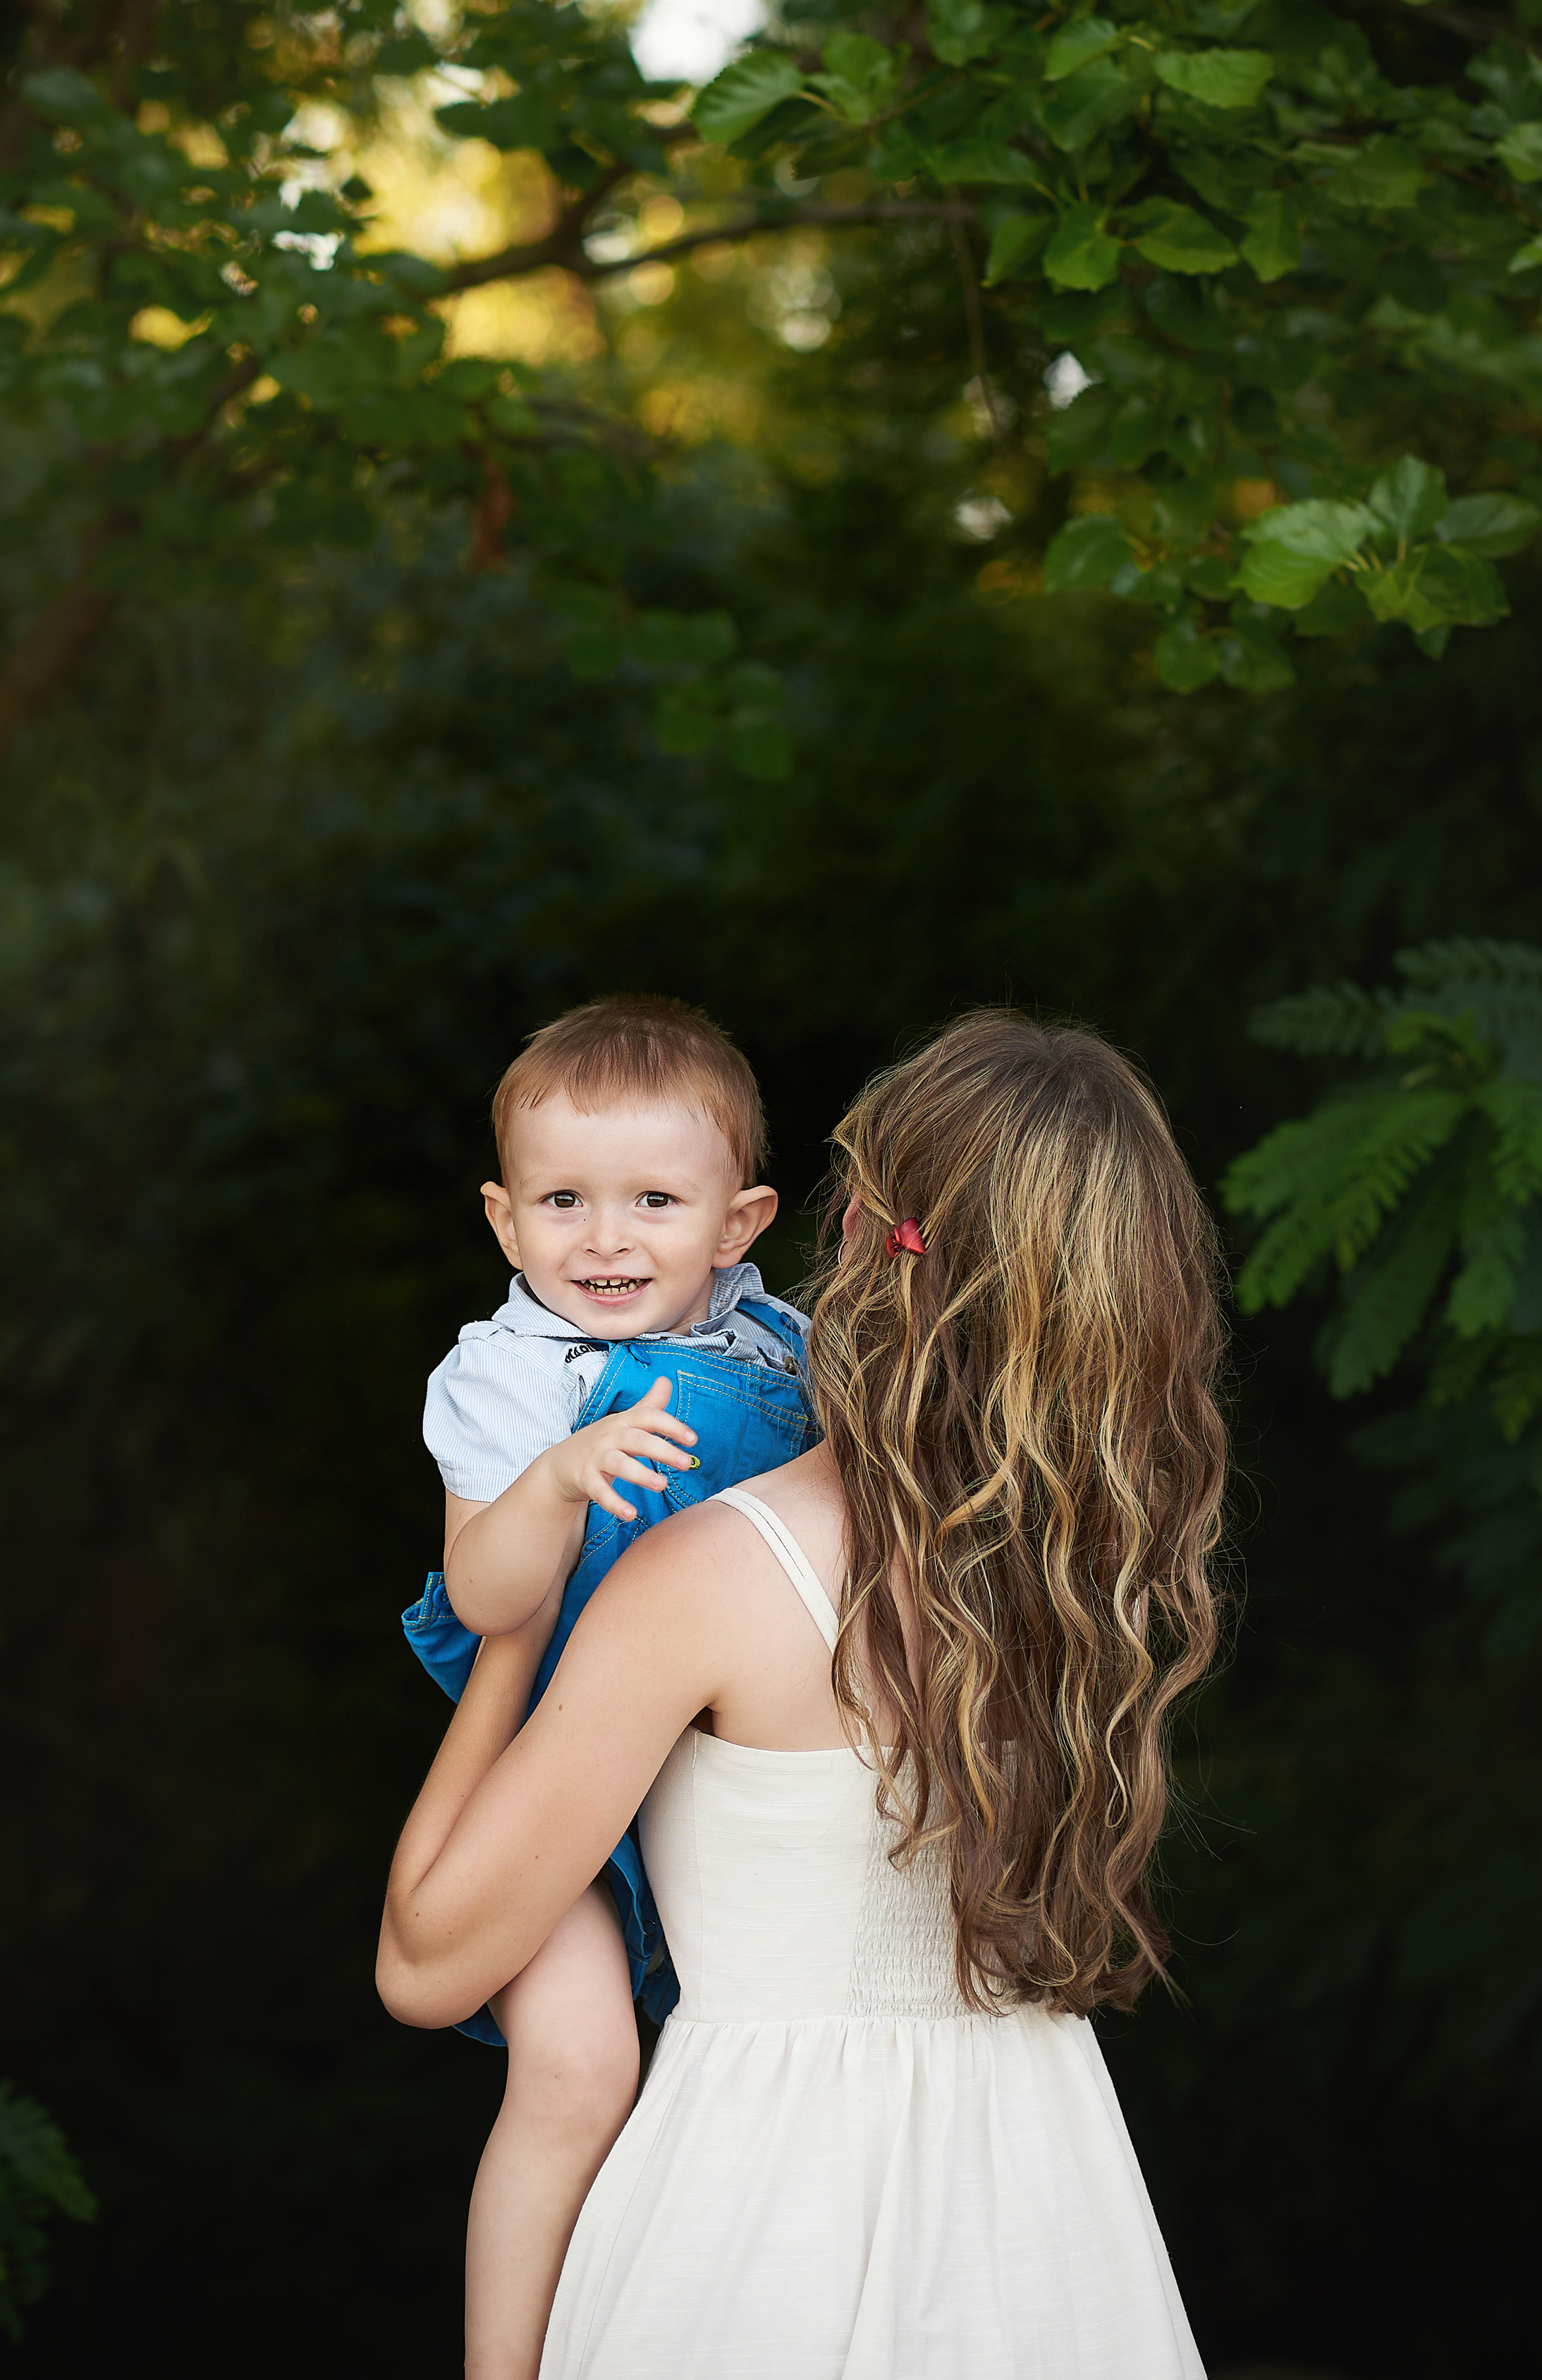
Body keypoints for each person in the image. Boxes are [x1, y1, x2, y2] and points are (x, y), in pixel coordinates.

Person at [380, 1011, 1226, 2377]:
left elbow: (426, 1965)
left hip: (763, 2213)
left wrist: (509, 1638)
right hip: (1040, 2208)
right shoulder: (1079, 1583)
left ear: (842, 1239)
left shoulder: (714, 1570)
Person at [400, 995, 815, 2379]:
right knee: (579, 2069)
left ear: (739, 1224)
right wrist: (554, 1482)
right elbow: (483, 1598)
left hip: (714, 1775)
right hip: (555, 1776)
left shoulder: (789, 1351)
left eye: (653, 1199)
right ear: (503, 1221)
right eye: (561, 1200)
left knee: (766, 2074)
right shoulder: (511, 1375)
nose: (605, 1238)